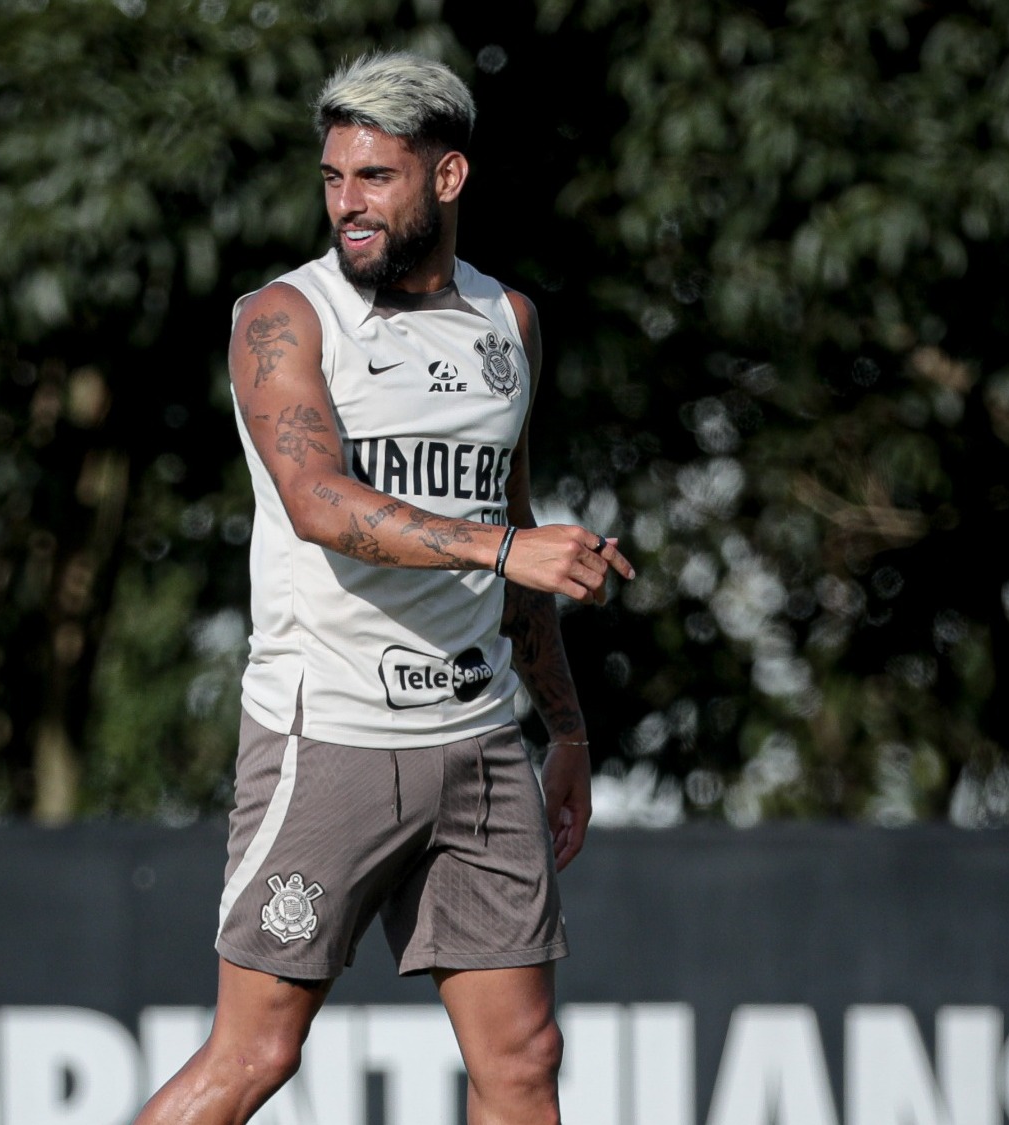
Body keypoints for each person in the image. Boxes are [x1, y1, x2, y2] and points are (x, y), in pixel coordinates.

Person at [134, 50, 633, 1125]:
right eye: (332, 178)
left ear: (446, 178)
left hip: (480, 741)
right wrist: (503, 548)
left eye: (374, 177)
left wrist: (566, 730)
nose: (346, 204)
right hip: (328, 735)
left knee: (524, 1061)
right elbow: (319, 502)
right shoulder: (284, 317)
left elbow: (512, 525)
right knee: (256, 1054)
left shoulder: (510, 323)